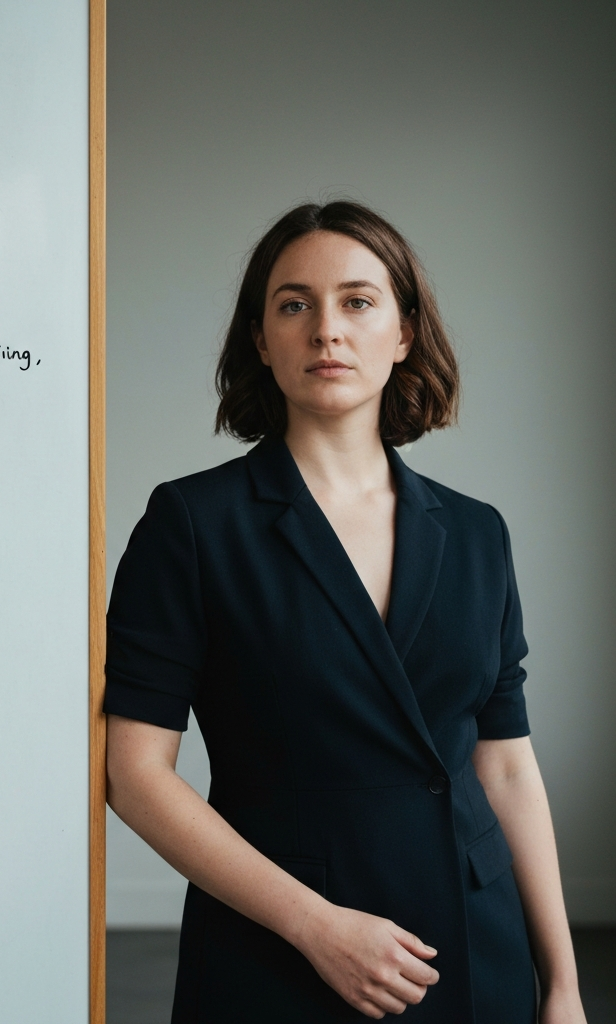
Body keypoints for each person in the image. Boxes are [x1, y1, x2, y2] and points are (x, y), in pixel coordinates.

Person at [104, 201, 588, 1022]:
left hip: (473, 946)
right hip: (278, 949)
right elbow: (136, 775)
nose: (327, 329)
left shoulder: (477, 532)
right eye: (294, 304)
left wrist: (565, 984)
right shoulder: (191, 524)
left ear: (404, 333)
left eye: (358, 301)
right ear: (262, 340)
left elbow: (505, 765)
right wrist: (315, 926)